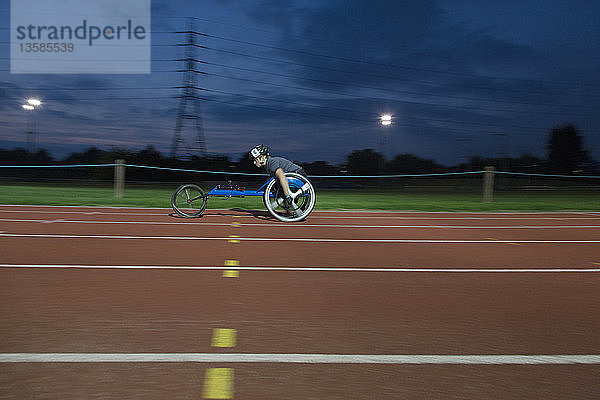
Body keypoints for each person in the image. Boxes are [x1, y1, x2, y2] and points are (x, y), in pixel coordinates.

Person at [250, 144, 306, 213]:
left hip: (297, 175)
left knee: (282, 193)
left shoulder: (271, 163)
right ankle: (287, 205)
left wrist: (287, 195)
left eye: (255, 160)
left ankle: (288, 201)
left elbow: (281, 174)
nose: (254, 162)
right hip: (293, 175)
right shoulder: (268, 164)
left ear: (262, 158)